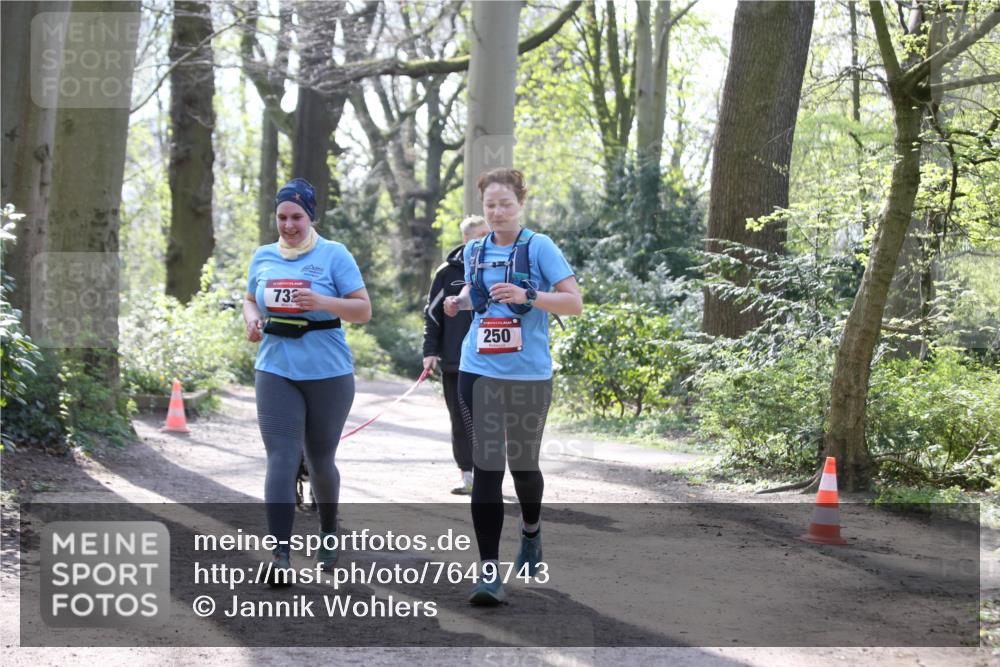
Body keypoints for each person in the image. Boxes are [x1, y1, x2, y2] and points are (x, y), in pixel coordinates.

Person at [443, 168, 582, 605]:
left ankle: (531, 531)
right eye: (490, 205)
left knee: (523, 467)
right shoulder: (474, 250)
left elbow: (574, 302)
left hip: (528, 374)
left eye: (505, 204)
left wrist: (529, 297)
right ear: (481, 208)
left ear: (521, 203)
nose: (498, 212)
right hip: (478, 368)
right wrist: (457, 302)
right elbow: (477, 295)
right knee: (488, 467)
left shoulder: (539, 247)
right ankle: (488, 572)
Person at [243, 177, 371, 583]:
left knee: (319, 460)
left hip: (328, 372)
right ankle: (279, 556)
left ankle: (329, 530)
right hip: (275, 367)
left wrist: (321, 302)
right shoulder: (263, 256)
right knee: (280, 457)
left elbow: (362, 310)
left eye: (296, 216)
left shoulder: (334, 255)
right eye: (281, 216)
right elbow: (250, 298)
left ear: (310, 216)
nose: (288, 224)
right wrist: (251, 320)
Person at [422, 215, 489, 495]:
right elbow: (433, 315)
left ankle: (488, 474)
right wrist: (430, 352)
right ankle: (467, 475)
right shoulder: (447, 273)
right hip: (454, 361)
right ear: (466, 240)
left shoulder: (498, 268)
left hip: (490, 360)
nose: (485, 242)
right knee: (460, 420)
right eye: (479, 237)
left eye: (489, 236)